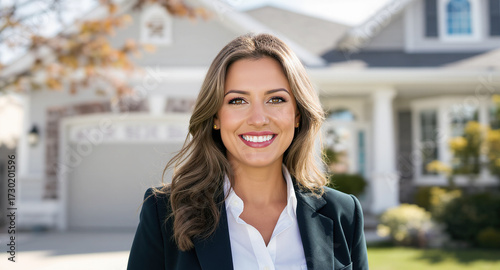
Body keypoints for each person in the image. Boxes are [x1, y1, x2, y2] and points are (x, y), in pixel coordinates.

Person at [127, 33, 369, 270]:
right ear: (215, 117)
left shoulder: (343, 214)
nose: (258, 119)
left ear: (297, 115)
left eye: (275, 99)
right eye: (237, 101)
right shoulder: (164, 213)